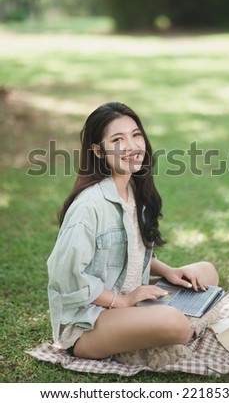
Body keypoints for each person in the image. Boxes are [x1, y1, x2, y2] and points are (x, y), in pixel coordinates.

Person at [47, 102, 219, 367]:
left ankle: (152, 328)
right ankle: (169, 329)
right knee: (175, 323)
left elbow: (129, 251)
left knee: (206, 273)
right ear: (99, 152)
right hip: (90, 322)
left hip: (130, 296)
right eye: (118, 139)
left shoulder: (134, 190)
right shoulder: (89, 205)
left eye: (135, 135)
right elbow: (68, 278)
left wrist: (168, 270)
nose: (132, 146)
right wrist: (123, 300)